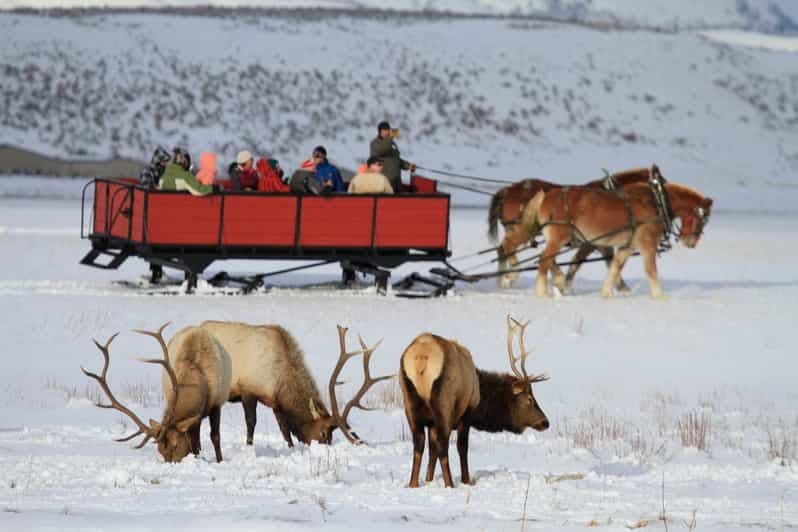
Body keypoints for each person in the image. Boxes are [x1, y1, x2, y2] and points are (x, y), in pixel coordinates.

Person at [370, 121, 416, 193]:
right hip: (384, 183)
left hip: (396, 182)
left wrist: (408, 166)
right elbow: (383, 149)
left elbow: (395, 159)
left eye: (388, 130)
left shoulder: (391, 143)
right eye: (384, 130)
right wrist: (391, 138)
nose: (387, 132)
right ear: (380, 132)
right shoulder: (375, 143)